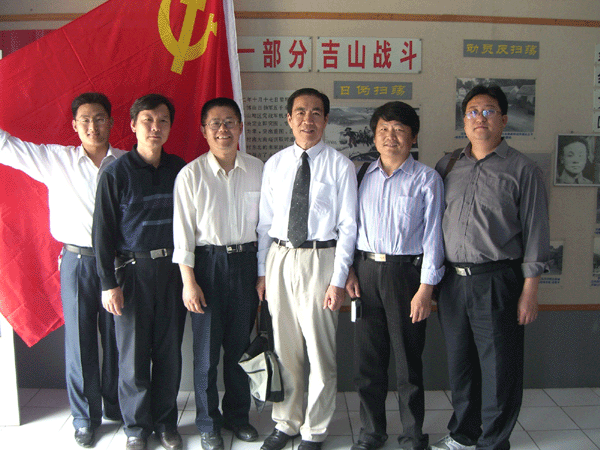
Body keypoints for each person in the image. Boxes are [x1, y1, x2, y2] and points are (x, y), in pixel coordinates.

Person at [0, 92, 123, 448]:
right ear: (74, 125)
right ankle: (85, 418)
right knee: (80, 341)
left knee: (118, 338)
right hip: (76, 262)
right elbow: (7, 147)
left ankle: (116, 405)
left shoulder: (127, 163)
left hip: (119, 263)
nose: (92, 126)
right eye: (85, 120)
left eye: (99, 118)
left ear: (111, 122)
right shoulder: (57, 159)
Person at [431, 85, 550, 450]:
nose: (479, 118)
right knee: (461, 364)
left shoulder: (523, 169)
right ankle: (464, 434)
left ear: (504, 120)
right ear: (463, 121)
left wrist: (530, 291)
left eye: (488, 111)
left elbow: (536, 231)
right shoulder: (448, 165)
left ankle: (494, 442)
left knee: (499, 368)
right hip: (452, 282)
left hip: (498, 281)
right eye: (472, 112)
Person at [256, 88, 357, 450]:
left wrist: (338, 280)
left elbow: (348, 228)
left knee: (320, 351)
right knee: (285, 349)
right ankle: (286, 422)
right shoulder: (275, 164)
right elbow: (264, 223)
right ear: (289, 119)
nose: (307, 120)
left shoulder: (341, 166)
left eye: (316, 113)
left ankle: (315, 429)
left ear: (326, 120)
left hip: (321, 258)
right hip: (280, 258)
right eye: (300, 112)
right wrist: (262, 271)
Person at [345, 101, 445, 450]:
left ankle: (413, 435)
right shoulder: (360, 176)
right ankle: (371, 432)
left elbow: (434, 236)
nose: (391, 136)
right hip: (365, 273)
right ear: (374, 136)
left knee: (408, 363)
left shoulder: (427, 179)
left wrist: (426, 288)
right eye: (384, 129)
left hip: (407, 276)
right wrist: (349, 271)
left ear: (412, 137)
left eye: (400, 130)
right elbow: (348, 228)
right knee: (368, 363)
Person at [93, 94, 187, 450]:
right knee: (132, 357)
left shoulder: (179, 169)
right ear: (133, 125)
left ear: (170, 127)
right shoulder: (116, 172)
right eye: (147, 120)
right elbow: (102, 233)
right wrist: (108, 283)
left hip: (173, 272)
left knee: (168, 353)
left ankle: (165, 423)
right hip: (132, 273)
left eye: (162, 120)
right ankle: (135, 427)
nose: (155, 127)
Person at [172, 98, 263, 450]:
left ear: (240, 127)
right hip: (207, 267)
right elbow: (182, 235)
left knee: (240, 349)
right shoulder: (190, 175)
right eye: (215, 123)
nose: (223, 129)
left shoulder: (258, 169)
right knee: (206, 354)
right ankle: (208, 423)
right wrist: (189, 282)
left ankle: (238, 417)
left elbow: (267, 227)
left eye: (229, 122)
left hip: (246, 265)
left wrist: (262, 273)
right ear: (204, 130)